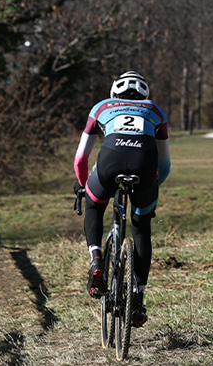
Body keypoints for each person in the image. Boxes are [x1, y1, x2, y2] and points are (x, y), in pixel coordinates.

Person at [73, 71, 171, 327]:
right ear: (144, 94)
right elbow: (166, 165)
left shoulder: (102, 107)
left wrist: (84, 185)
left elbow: (81, 159)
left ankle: (96, 260)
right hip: (145, 168)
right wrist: (149, 190)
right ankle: (137, 298)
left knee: (94, 204)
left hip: (109, 163)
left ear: (114, 91)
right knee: (141, 227)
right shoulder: (156, 111)